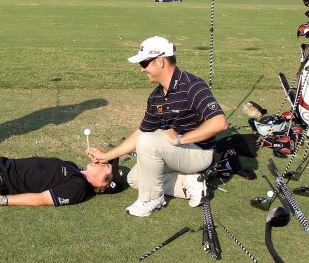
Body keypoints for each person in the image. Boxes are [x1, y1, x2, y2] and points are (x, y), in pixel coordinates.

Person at [87, 36, 228, 217]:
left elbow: (220, 122)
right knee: (135, 178)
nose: (141, 69)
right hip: (177, 154)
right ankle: (189, 183)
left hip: (199, 154)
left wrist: (180, 139)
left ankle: (151, 199)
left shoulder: (193, 86)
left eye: (145, 63)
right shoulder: (156, 97)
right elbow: (142, 132)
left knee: (148, 142)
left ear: (160, 61)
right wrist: (106, 156)